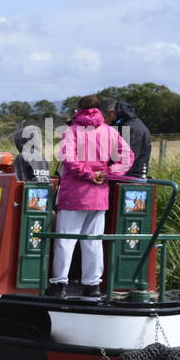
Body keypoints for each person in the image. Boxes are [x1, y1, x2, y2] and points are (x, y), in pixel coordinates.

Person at [46, 96, 134, 298]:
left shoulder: (72, 131)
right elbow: (127, 157)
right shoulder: (110, 131)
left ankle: (59, 284)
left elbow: (69, 161)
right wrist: (108, 173)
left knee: (65, 240)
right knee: (93, 241)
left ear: (79, 109)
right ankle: (92, 285)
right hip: (99, 196)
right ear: (99, 110)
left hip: (75, 195)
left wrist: (89, 174)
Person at [99, 96, 151, 178]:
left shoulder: (128, 128)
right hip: (127, 177)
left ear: (112, 113)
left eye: (103, 117)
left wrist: (102, 173)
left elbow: (123, 159)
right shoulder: (127, 124)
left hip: (128, 179)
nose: (102, 121)